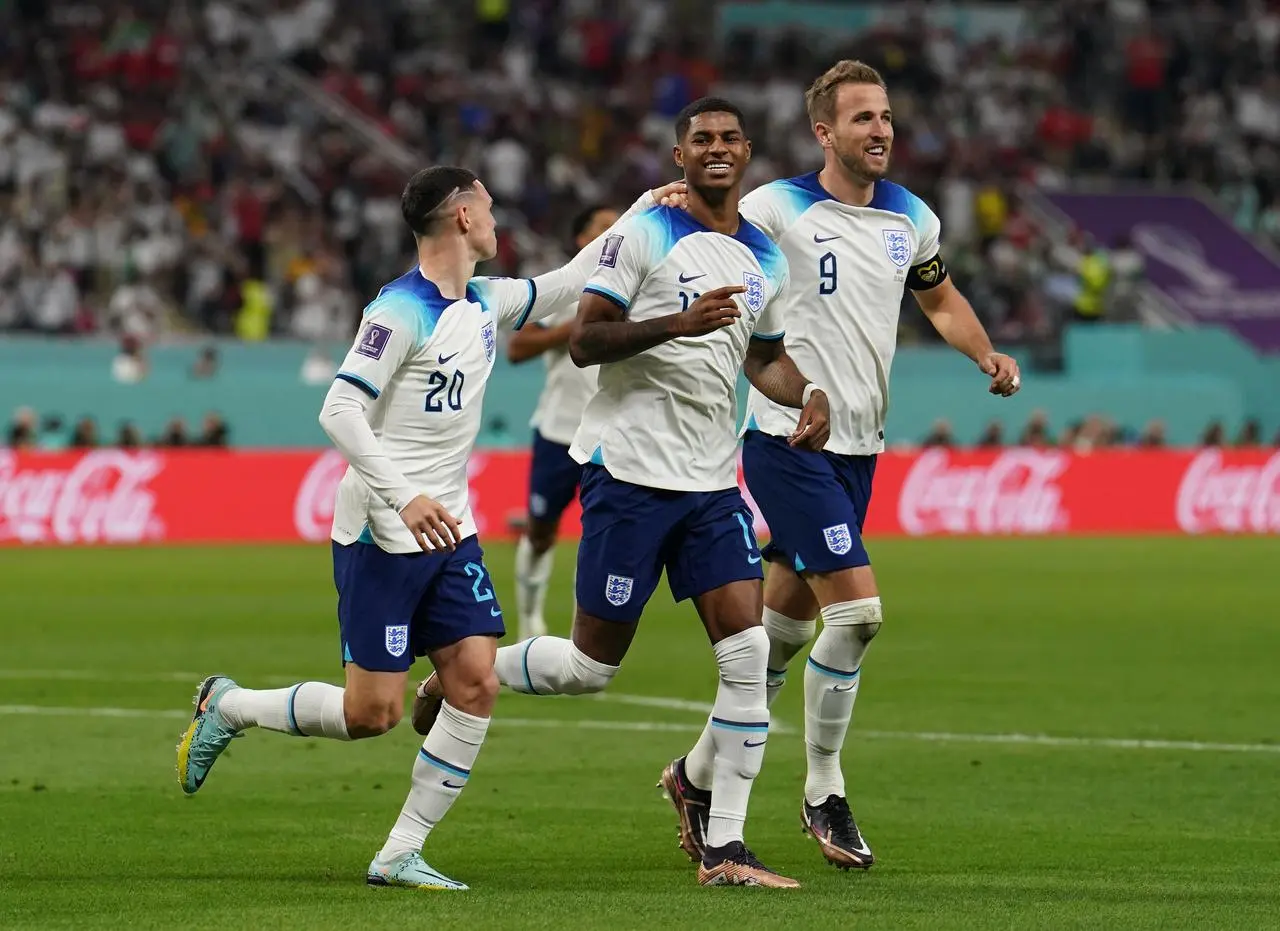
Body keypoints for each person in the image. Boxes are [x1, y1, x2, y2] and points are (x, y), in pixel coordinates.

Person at [175, 165, 682, 891]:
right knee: (371, 714)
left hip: (451, 527)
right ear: (462, 220)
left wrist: (645, 207)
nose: (498, 216)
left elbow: (573, 277)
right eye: (488, 206)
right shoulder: (397, 312)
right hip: (383, 529)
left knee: (475, 682)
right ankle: (228, 704)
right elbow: (339, 410)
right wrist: (404, 495)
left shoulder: (483, 301)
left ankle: (399, 851)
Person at [419, 97, 831, 888]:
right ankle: (459, 671)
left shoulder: (765, 259)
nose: (716, 149)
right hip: (629, 476)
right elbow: (585, 339)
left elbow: (765, 355)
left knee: (748, 657)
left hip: (712, 486)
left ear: (746, 152)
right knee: (589, 666)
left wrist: (805, 392)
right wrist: (677, 324)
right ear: (679, 155)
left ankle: (727, 848)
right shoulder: (641, 235)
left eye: (728, 139)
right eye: (700, 139)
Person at [662, 61, 1022, 872]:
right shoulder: (775, 206)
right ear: (824, 132)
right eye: (862, 118)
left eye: (886, 115)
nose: (881, 129)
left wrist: (983, 351)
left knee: (781, 636)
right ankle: (824, 786)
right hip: (788, 437)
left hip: (863, 447)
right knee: (857, 616)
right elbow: (697, 212)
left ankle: (694, 775)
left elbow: (939, 298)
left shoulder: (912, 218)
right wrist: (659, 206)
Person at [506, 203, 620, 640]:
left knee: (599, 536)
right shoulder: (567, 287)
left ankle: (583, 632)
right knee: (540, 532)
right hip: (558, 430)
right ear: (581, 239)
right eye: (603, 226)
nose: (614, 232)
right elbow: (518, 348)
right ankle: (530, 617)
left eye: (617, 225)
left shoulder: (640, 283)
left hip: (611, 434)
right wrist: (577, 328)